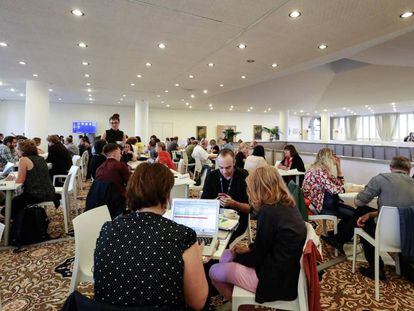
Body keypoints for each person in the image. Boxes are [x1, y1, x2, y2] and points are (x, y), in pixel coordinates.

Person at [93, 163, 208, 309]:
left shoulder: (108, 229)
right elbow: (197, 302)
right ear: (166, 194)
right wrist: (196, 256)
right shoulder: (182, 236)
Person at [209, 165, 306, 303]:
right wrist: (248, 249)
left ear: (259, 188)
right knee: (225, 256)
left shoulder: (268, 212)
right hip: (286, 271)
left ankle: (240, 304)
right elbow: (269, 244)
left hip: (272, 279)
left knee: (214, 269)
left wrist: (238, 257)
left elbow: (257, 257)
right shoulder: (287, 204)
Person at [336, 156, 414, 280]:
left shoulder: (381, 179)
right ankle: (340, 238)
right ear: (409, 170)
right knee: (366, 213)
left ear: (391, 167)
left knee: (362, 219)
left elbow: (359, 202)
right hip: (408, 237)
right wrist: (371, 214)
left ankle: (376, 268)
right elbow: (400, 211)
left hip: (385, 234)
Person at [4, 140, 58, 245]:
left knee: (10, 205)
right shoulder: (41, 159)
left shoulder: (23, 160)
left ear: (22, 150)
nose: (16, 150)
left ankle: (17, 228)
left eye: (17, 148)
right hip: (49, 191)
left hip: (36, 194)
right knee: (14, 203)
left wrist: (11, 178)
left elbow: (20, 181)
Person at [302, 148, 354, 253]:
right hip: (317, 207)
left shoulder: (322, 170)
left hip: (324, 203)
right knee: (353, 215)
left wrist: (339, 167)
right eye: (334, 156)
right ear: (328, 158)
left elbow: (339, 183)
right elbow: (335, 189)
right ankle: (338, 239)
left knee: (354, 212)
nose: (336, 158)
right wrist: (348, 189)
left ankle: (336, 236)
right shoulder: (319, 171)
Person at [201, 149, 250, 243]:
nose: (224, 171)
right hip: (214, 218)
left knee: (223, 242)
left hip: (237, 219)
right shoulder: (211, 176)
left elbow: (249, 208)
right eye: (221, 167)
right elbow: (203, 203)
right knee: (202, 239)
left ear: (234, 162)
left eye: (228, 167)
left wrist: (233, 203)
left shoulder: (244, 176)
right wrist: (215, 202)